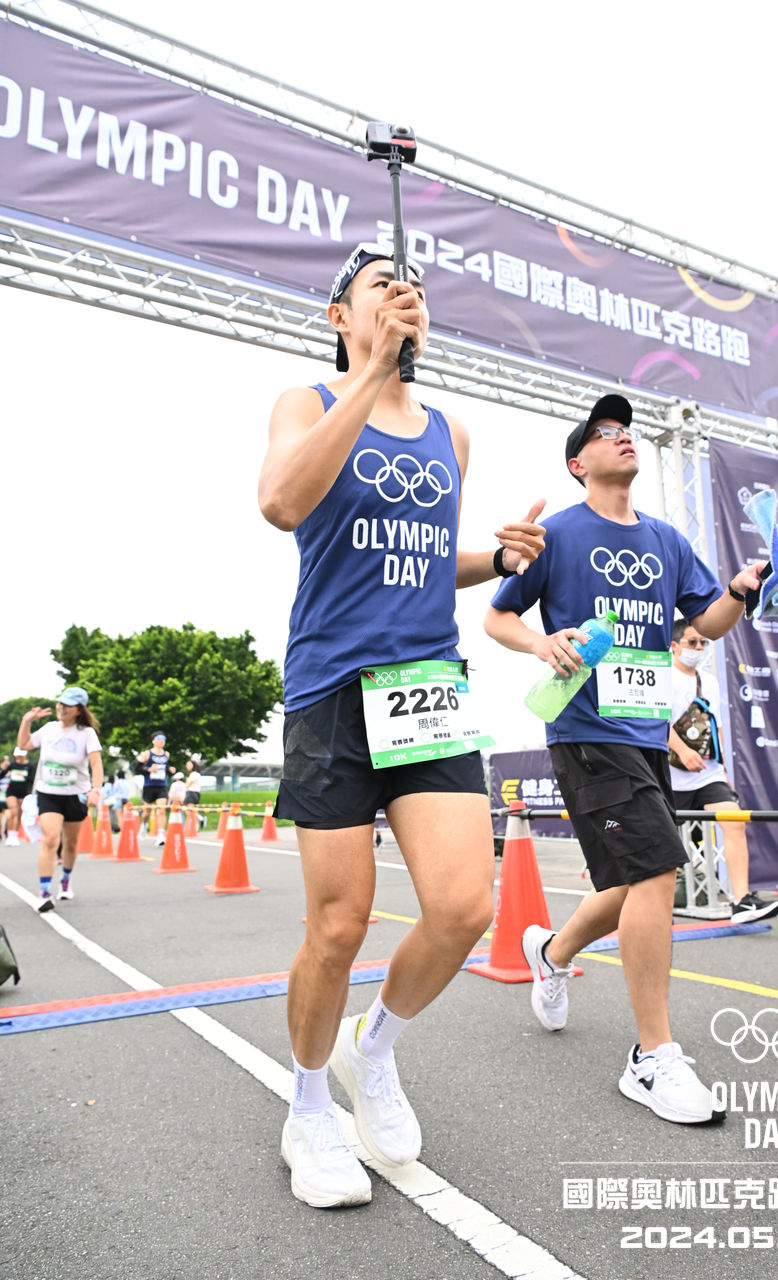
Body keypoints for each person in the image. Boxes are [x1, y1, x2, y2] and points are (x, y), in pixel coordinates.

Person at [258, 241, 546, 1208]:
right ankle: (308, 1107)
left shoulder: (449, 432)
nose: (403, 292)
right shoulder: (306, 402)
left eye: (411, 286)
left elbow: (423, 560)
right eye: (380, 284)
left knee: (464, 909)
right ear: (340, 315)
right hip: (332, 687)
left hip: (426, 685)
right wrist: (370, 375)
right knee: (338, 925)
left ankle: (371, 1048)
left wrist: (494, 560)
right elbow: (281, 502)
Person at [484, 392, 764, 1127]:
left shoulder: (666, 539)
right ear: (579, 464)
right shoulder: (557, 533)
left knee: (634, 877)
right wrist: (541, 642)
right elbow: (497, 614)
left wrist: (738, 592)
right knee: (656, 870)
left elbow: (707, 620)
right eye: (604, 433)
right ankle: (652, 1056)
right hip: (584, 729)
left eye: (626, 429)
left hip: (646, 735)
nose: (623, 437)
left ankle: (550, 952)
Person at [668, 619, 778, 924]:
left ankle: (741, 901)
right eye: (692, 642)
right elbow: (654, 723)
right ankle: (643, 905)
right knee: (659, 845)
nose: (698, 648)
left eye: (702, 643)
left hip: (708, 774)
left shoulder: (709, 681)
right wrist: (682, 751)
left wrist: (723, 771)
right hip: (669, 776)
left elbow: (715, 727)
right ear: (674, 646)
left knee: (734, 820)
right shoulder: (661, 678)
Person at [16, 686, 103, 912]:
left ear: (79, 710)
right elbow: (24, 745)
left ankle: (65, 879)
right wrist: (26, 722)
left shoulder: (86, 733)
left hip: (75, 795)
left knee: (71, 844)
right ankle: (44, 892)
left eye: (68, 705)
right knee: (51, 839)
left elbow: (96, 764)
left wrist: (96, 789)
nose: (62, 708)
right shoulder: (49, 729)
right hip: (49, 794)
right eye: (60, 703)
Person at [137, 732, 173, 833]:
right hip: (149, 786)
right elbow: (137, 768)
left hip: (162, 786)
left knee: (161, 809)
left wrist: (170, 769)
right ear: (153, 741)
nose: (162, 741)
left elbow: (165, 767)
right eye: (159, 739)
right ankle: (144, 825)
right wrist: (149, 770)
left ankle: (161, 834)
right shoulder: (147, 754)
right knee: (147, 811)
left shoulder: (166, 754)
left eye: (163, 739)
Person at [4, 747, 36, 846]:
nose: (19, 757)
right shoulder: (12, 765)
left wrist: (23, 775)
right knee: (13, 812)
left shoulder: (30, 766)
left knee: (19, 815)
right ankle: (10, 835)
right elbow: (3, 774)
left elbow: (32, 779)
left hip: (23, 792)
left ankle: (15, 836)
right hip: (11, 791)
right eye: (18, 755)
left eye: (21, 755)